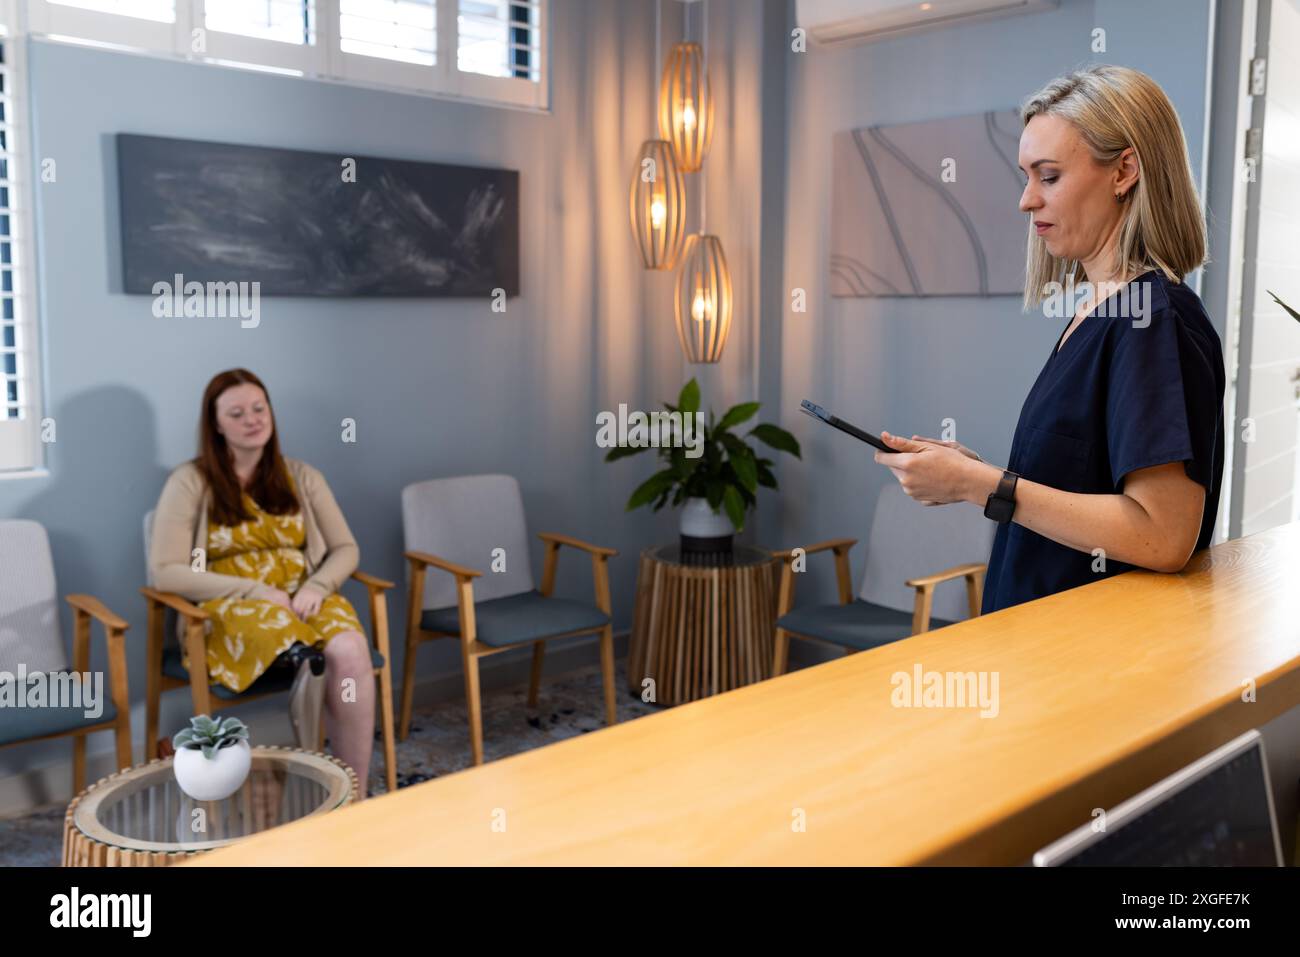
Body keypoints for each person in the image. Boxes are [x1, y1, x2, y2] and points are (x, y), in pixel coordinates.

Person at [874, 64, 1225, 614]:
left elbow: (1163, 535)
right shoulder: (1098, 309)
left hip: (1084, 663)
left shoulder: (1152, 319)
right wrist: (974, 471)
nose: (1026, 200)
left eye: (1049, 176)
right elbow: (1085, 483)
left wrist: (981, 484)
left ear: (1124, 170)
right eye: (1025, 176)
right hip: (1036, 648)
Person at [150, 368, 376, 792]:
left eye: (259, 408)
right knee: (305, 652)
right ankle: (309, 779)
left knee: (349, 648)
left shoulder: (303, 476)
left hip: (305, 596)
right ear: (216, 425)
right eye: (237, 413)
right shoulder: (190, 481)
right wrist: (255, 590)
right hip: (230, 606)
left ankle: (355, 792)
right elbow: (167, 571)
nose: (253, 420)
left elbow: (346, 548)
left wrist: (317, 586)